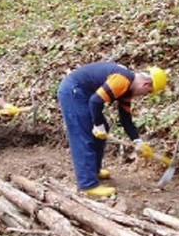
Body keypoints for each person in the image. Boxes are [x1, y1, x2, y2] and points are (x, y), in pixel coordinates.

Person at [57, 61, 168, 197]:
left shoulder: (128, 90)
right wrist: (98, 126)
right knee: (83, 133)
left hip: (86, 94)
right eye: (148, 92)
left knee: (101, 130)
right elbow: (95, 102)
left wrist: (138, 142)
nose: (144, 95)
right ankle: (88, 184)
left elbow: (125, 119)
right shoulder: (122, 80)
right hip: (73, 91)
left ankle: (94, 170)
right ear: (146, 84)